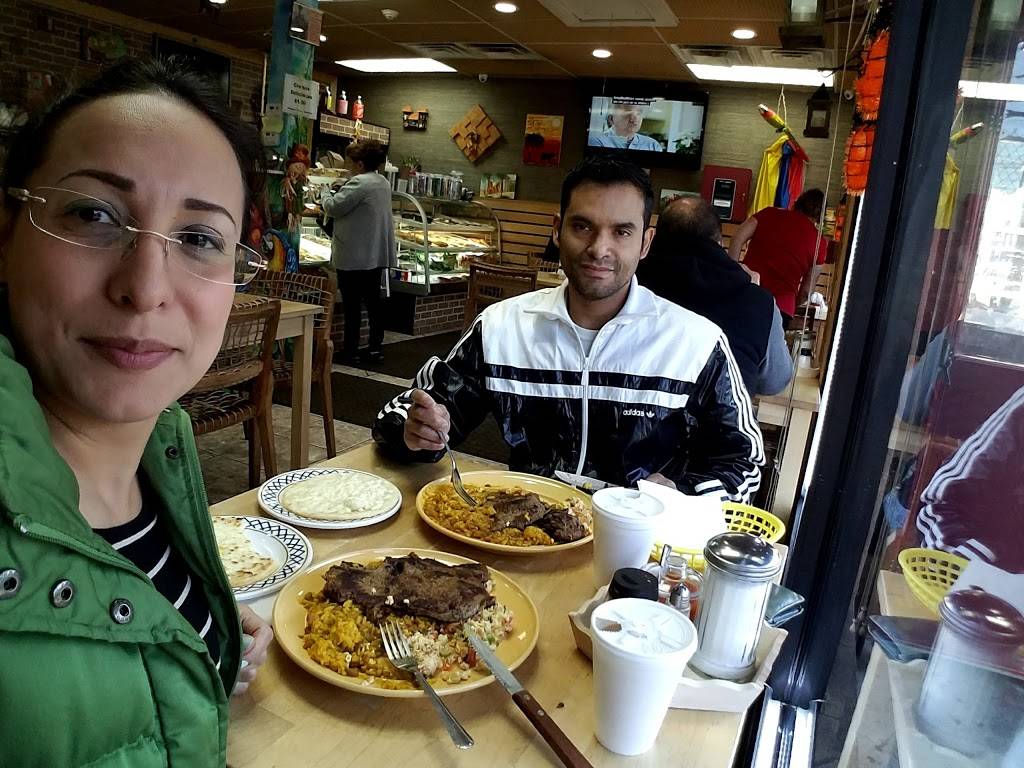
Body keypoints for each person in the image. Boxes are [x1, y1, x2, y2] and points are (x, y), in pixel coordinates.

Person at [0, 58, 273, 766]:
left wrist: (192, 636)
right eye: (94, 214)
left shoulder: (159, 456)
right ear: (6, 232)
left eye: (200, 239)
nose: (146, 288)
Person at [374, 157, 763, 501]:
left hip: (636, 546)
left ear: (646, 243)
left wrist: (681, 495)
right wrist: (415, 431)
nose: (599, 248)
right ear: (558, 230)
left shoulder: (695, 342)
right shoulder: (502, 327)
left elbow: (743, 464)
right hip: (523, 535)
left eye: (621, 232)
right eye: (583, 226)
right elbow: (410, 411)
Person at [637, 196, 792, 396]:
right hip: (719, 414)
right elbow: (776, 381)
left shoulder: (629, 284)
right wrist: (753, 296)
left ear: (653, 238)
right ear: (719, 242)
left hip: (627, 411)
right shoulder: (758, 303)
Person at [321, 138, 396, 363]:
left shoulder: (360, 183)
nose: (348, 167)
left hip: (354, 255)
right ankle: (375, 348)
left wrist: (325, 192)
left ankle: (351, 351)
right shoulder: (382, 182)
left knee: (352, 306)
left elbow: (333, 207)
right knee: (373, 304)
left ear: (360, 163)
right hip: (374, 255)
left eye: (350, 163)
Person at [727, 189, 828, 326]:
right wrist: (792, 304)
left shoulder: (768, 213)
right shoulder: (819, 243)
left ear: (798, 202)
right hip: (780, 308)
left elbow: (737, 238)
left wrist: (733, 273)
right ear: (820, 216)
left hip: (747, 293)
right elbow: (806, 292)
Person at [588, 102, 664, 152]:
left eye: (638, 113)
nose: (634, 119)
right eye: (627, 113)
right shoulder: (596, 142)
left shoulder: (653, 145)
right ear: (611, 119)